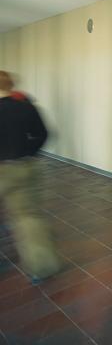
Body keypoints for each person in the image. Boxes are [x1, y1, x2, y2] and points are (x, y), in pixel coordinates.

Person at [0, 70, 59, 282]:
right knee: (29, 217)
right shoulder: (26, 107)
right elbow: (43, 134)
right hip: (25, 166)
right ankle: (41, 268)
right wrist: (28, 152)